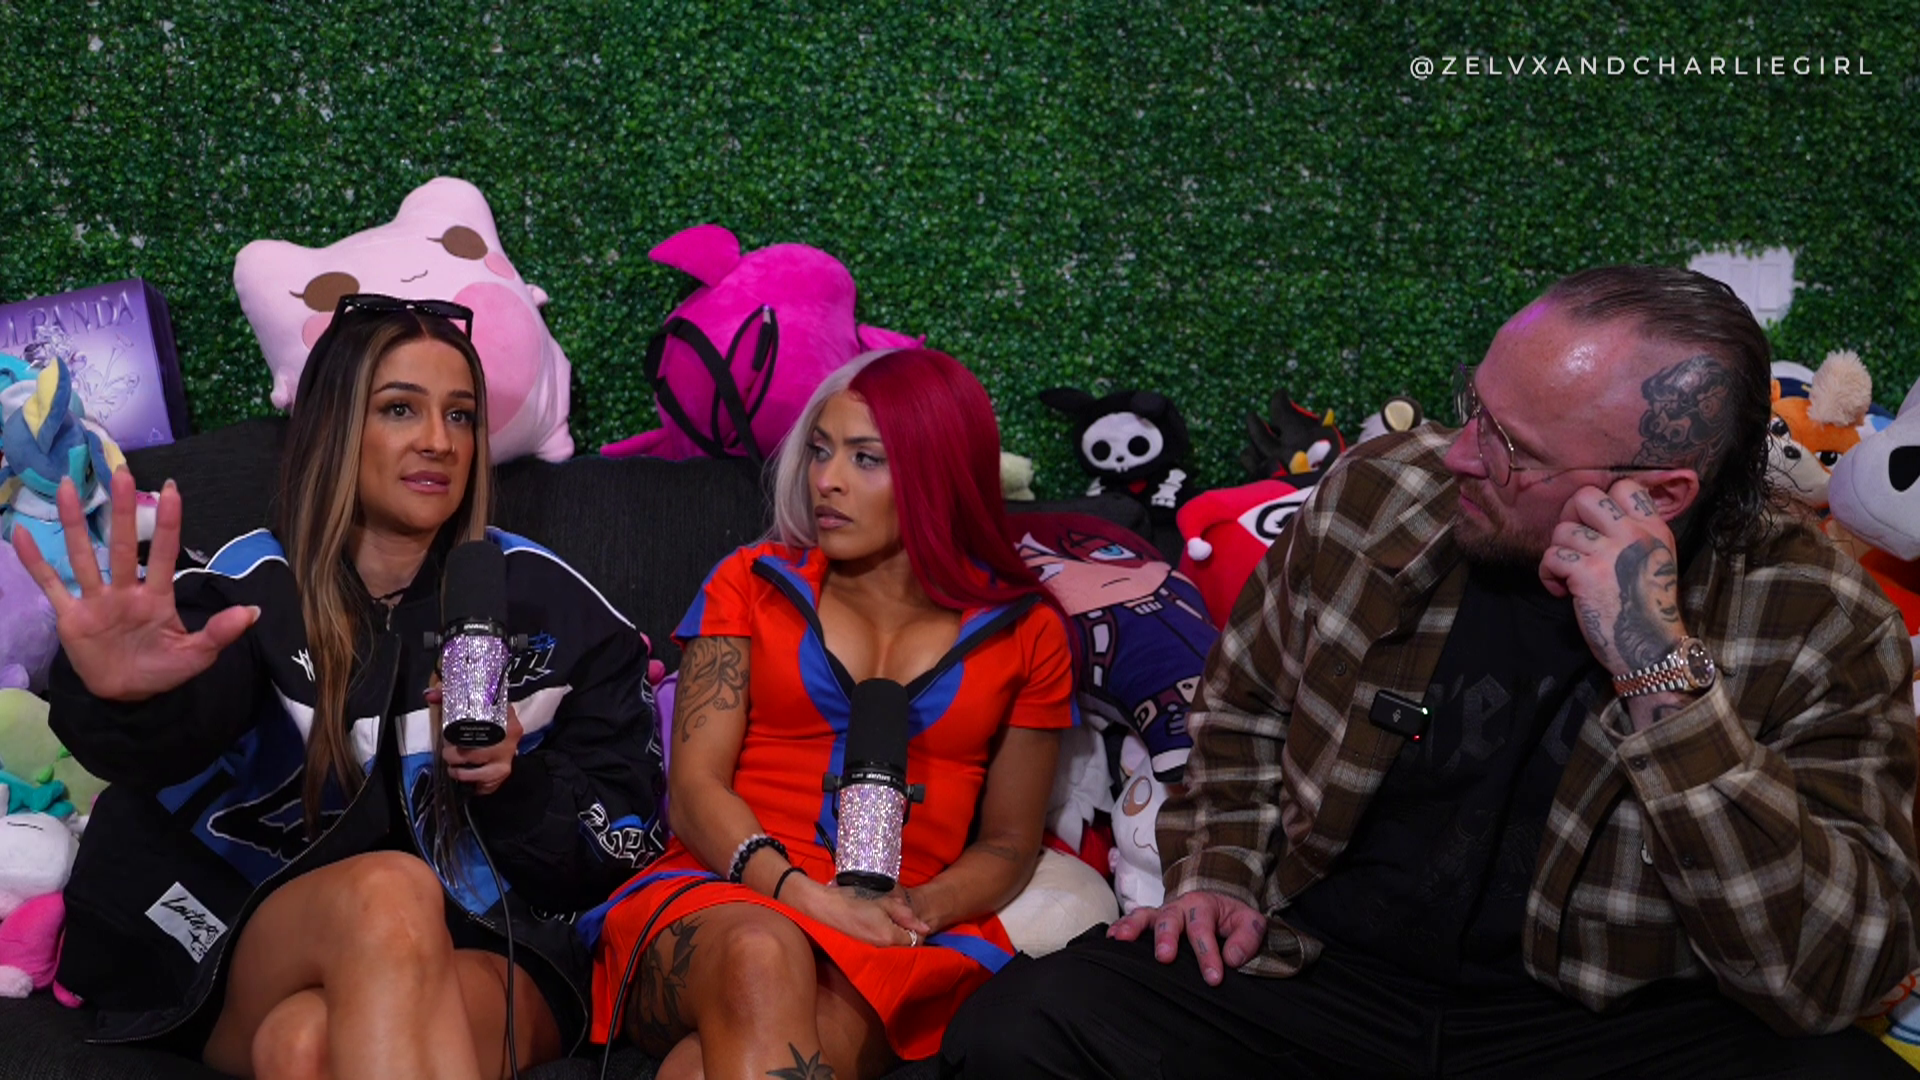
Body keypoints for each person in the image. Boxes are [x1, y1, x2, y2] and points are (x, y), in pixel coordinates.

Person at [941, 265, 1920, 1079]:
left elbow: (1832, 972)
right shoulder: (1382, 493)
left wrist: (1657, 668)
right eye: (1475, 408)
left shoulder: (1822, 620)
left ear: (1657, 495)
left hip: (1602, 1024)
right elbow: (1243, 712)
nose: (1459, 456)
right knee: (1024, 1027)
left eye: (1512, 449)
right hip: (1322, 976)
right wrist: (1219, 876)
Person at [15, 295, 667, 1080]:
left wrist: (515, 786)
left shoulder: (555, 606)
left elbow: (624, 839)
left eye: (461, 416)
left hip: (494, 948)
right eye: (400, 408)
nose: (439, 441)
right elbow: (173, 727)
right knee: (387, 895)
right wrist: (121, 699)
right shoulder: (248, 587)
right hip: (261, 933)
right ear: (333, 427)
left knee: (304, 1047)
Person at [584, 348, 1076, 1079]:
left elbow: (1009, 842)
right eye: (820, 451)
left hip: (891, 928)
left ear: (940, 474)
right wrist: (804, 898)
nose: (826, 480)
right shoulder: (749, 583)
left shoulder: (1028, 631)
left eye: (864, 458)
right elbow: (693, 790)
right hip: (721, 894)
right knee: (762, 951)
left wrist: (916, 909)